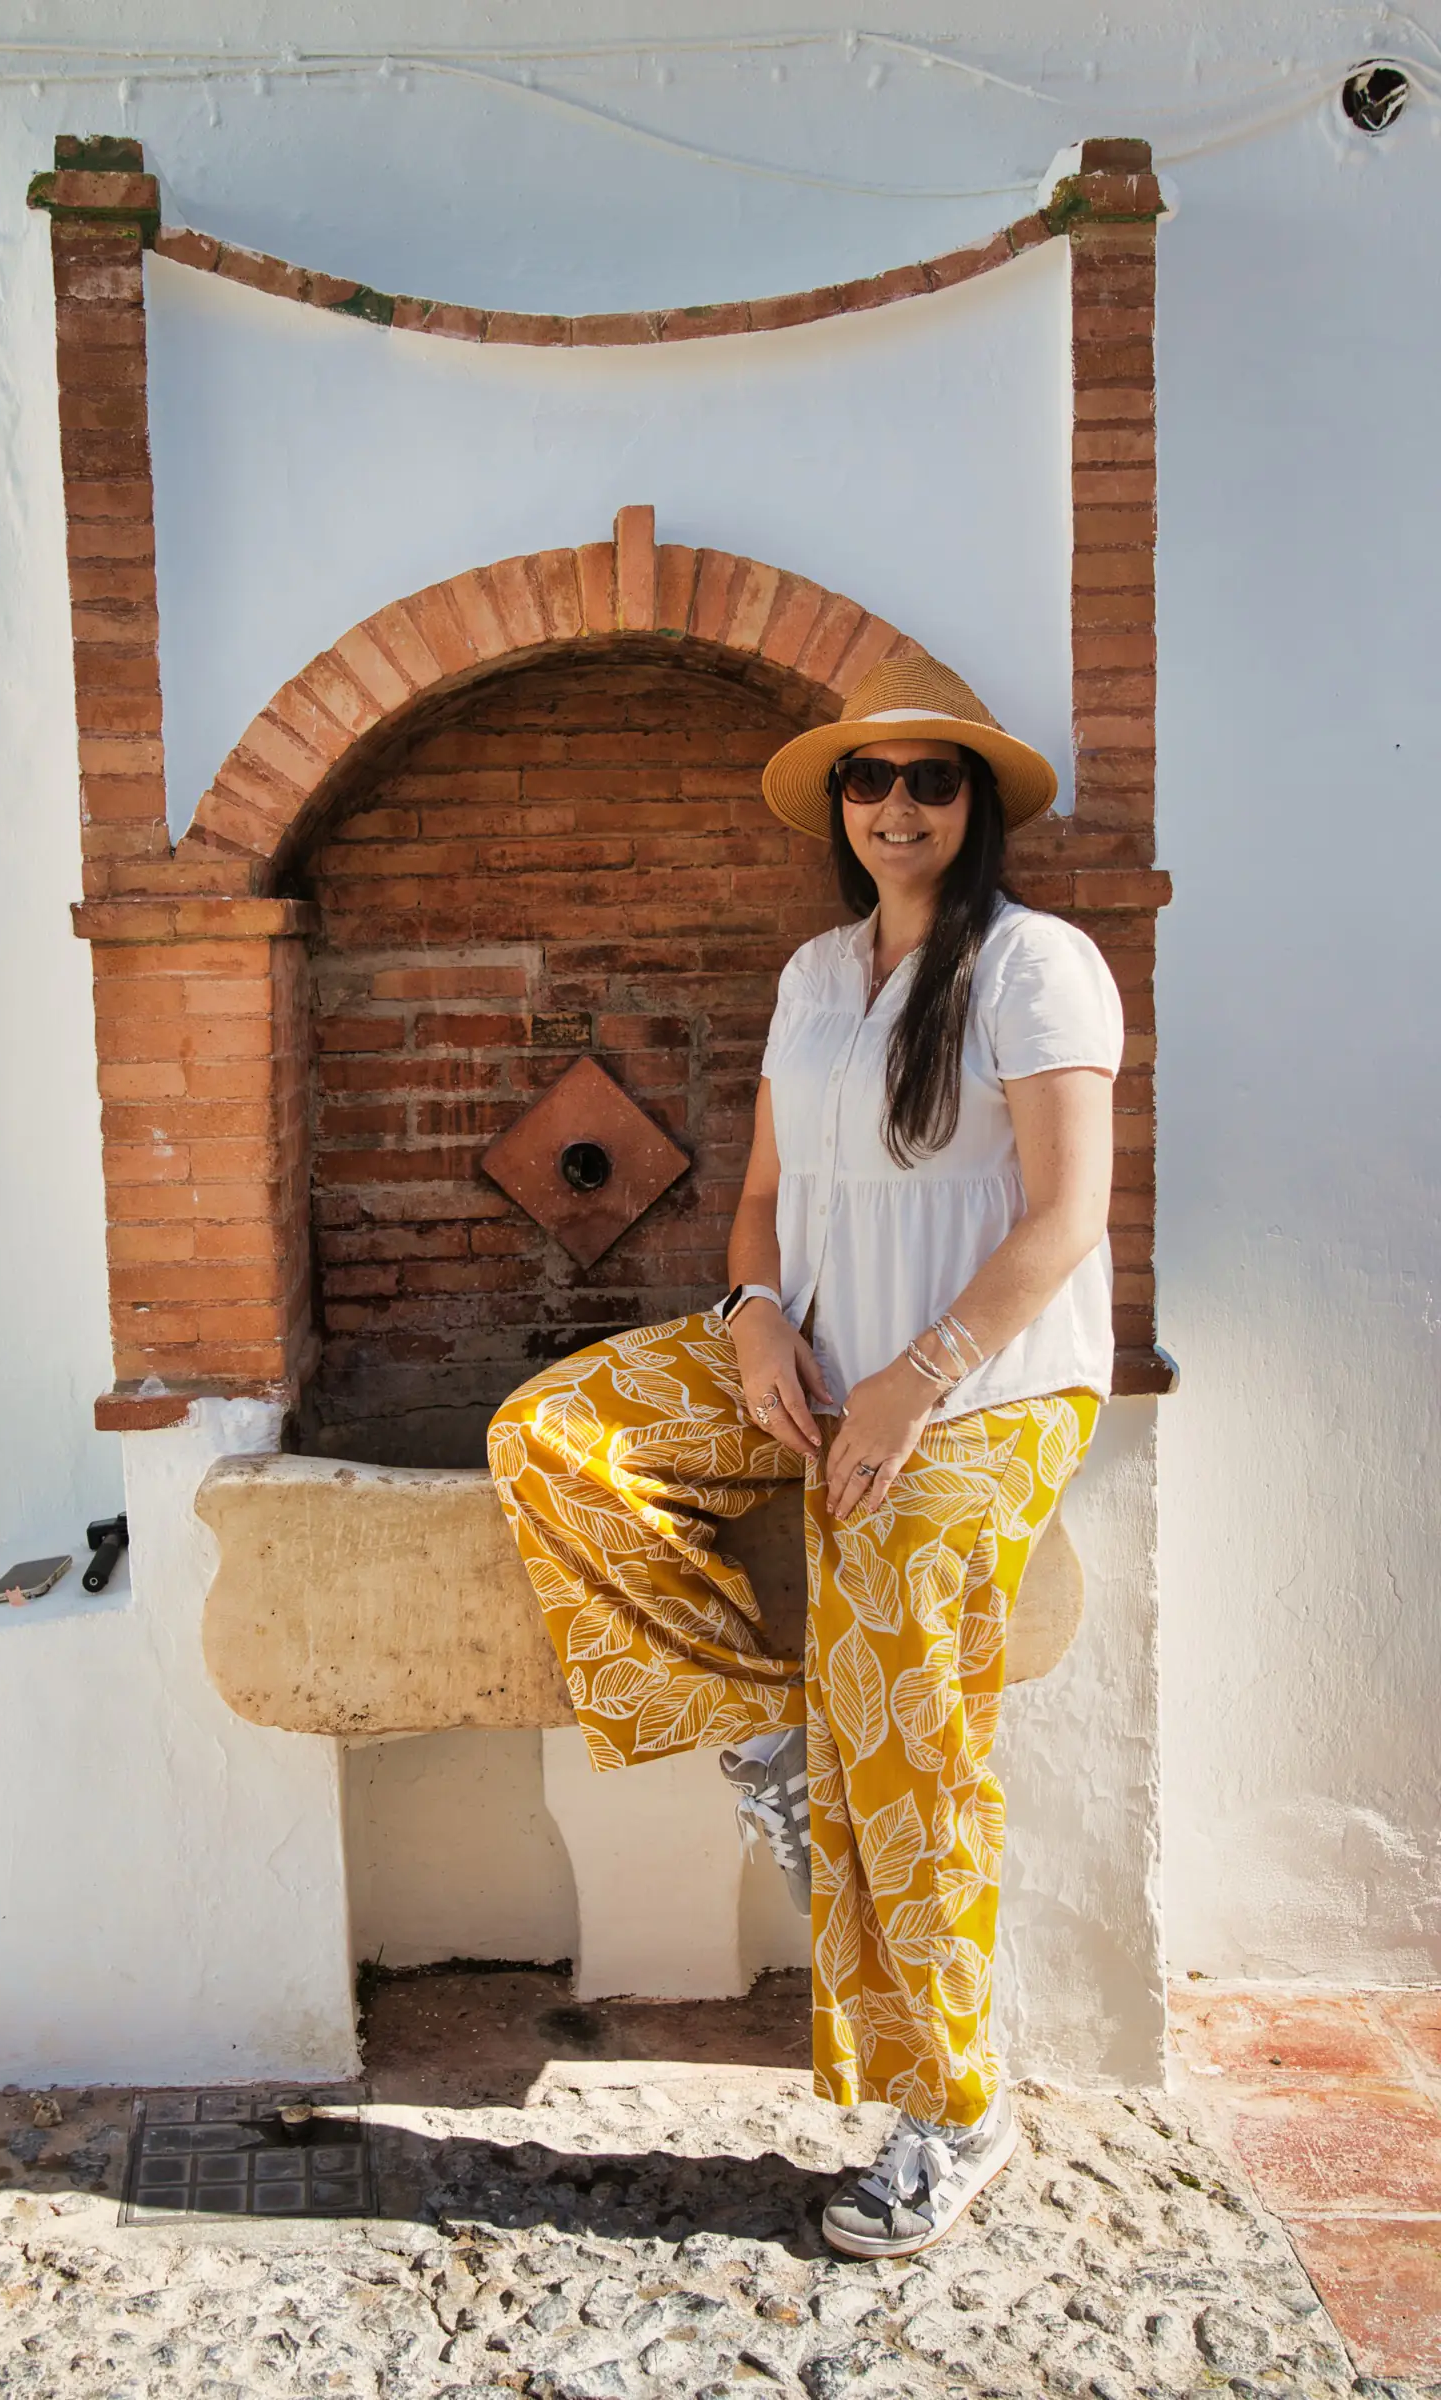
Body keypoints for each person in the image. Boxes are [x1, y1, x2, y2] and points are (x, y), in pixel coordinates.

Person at [488, 651, 1122, 2257]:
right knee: (554, 1436)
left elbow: (1064, 1220)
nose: (895, 803)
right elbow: (764, 1201)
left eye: (930, 779)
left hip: (986, 1383)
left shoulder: (1039, 967)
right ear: (839, 811)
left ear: (973, 809)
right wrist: (757, 1314)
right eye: (868, 780)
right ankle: (771, 1751)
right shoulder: (814, 977)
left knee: (906, 1689)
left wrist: (919, 1380)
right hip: (815, 1356)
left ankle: (952, 2108)